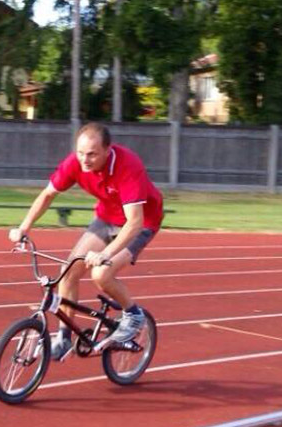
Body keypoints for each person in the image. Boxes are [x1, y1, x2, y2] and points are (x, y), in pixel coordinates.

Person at [8, 122, 165, 358]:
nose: (85, 160)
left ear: (107, 150)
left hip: (141, 223)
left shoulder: (127, 166)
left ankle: (133, 314)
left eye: (92, 154)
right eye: (81, 153)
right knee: (68, 271)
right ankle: (63, 340)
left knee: (101, 274)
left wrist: (105, 254)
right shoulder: (76, 163)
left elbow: (134, 222)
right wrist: (23, 228)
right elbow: (48, 194)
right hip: (106, 217)